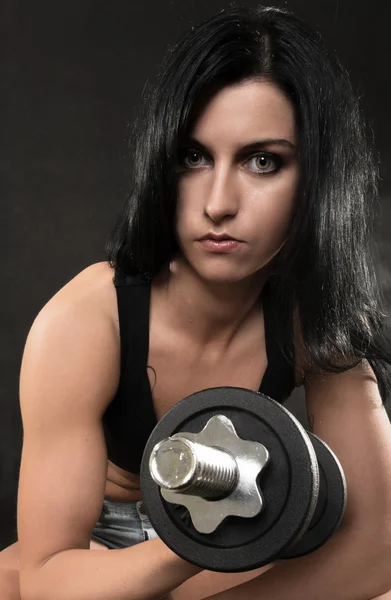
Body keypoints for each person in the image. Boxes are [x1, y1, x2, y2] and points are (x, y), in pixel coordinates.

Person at [1, 4, 391, 600]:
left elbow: (378, 546)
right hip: (106, 553)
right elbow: (51, 575)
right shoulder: (87, 319)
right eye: (194, 157)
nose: (218, 203)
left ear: (315, 176)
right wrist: (192, 548)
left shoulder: (313, 318)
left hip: (239, 543)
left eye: (263, 162)